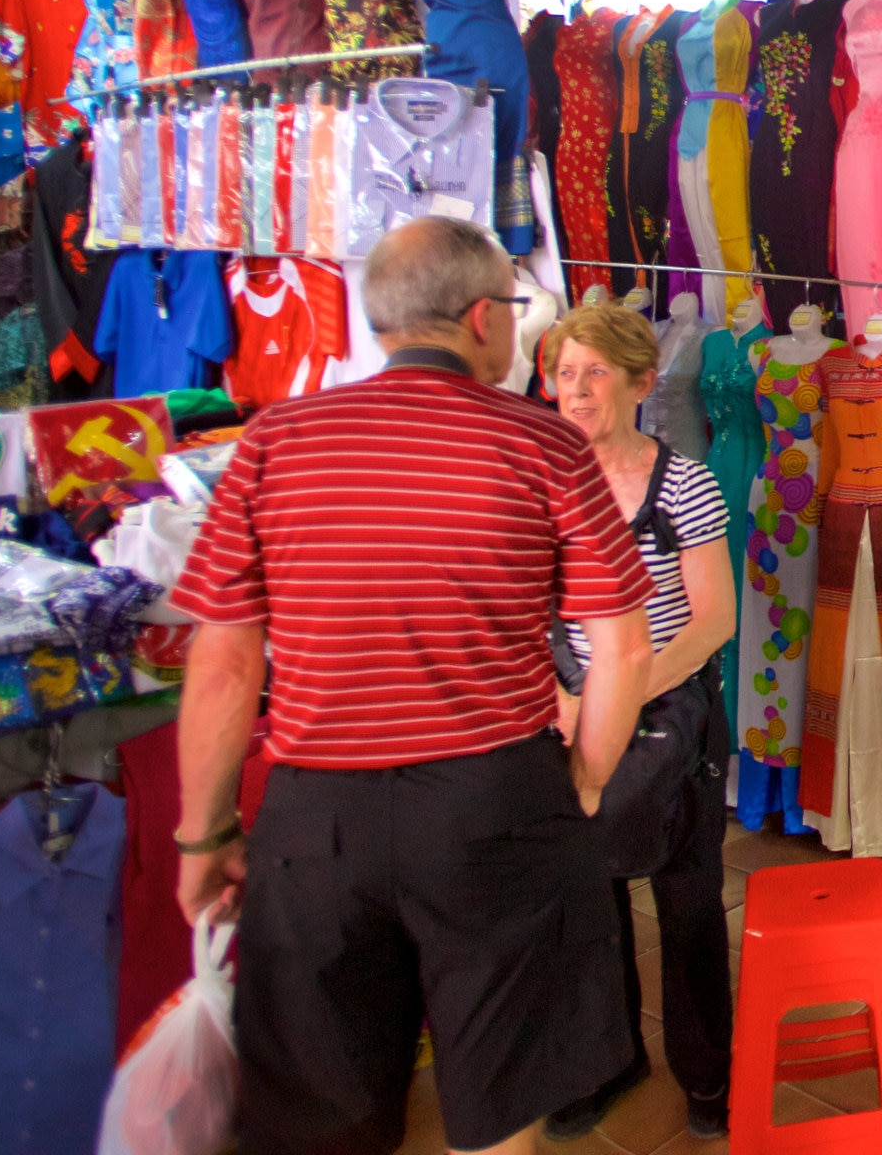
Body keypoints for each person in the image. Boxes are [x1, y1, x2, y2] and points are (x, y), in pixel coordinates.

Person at [170, 217, 654, 1155]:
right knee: (500, 1097)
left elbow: (224, 665)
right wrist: (586, 780)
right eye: (515, 313)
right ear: (480, 318)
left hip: (317, 823)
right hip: (495, 804)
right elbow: (622, 648)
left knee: (319, 1116)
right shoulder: (544, 446)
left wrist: (205, 832)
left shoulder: (272, 442)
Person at [541, 303, 738, 1142]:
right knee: (583, 901)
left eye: (593, 372)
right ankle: (604, 1062)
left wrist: (620, 698)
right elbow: (530, 614)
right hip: (570, 712)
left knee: (687, 898)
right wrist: (568, 705)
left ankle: (707, 1074)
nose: (575, 391)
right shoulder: (541, 483)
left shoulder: (682, 483)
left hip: (669, 713)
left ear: (639, 383)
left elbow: (712, 622)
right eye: (562, 373)